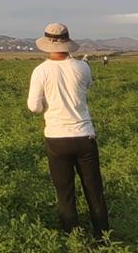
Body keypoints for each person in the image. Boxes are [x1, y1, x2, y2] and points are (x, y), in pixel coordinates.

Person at [27, 22, 110, 239]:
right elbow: (86, 88)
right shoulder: (82, 67)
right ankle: (103, 237)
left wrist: (50, 104)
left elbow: (34, 107)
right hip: (84, 135)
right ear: (67, 42)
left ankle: (72, 237)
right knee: (94, 190)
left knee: (65, 192)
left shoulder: (40, 71)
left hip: (57, 138)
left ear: (46, 44)